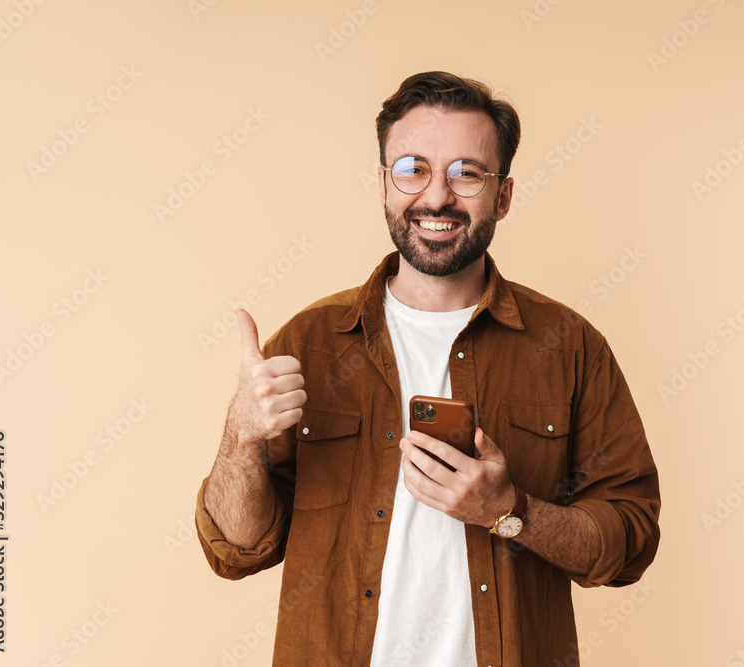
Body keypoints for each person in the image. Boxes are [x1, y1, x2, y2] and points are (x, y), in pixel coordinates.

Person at [195, 71, 660, 667]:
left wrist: (510, 511)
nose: (437, 196)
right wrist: (241, 436)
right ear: (384, 185)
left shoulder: (571, 348)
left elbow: (630, 541)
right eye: (413, 168)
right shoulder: (309, 343)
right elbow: (235, 550)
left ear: (504, 195)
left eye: (467, 172)